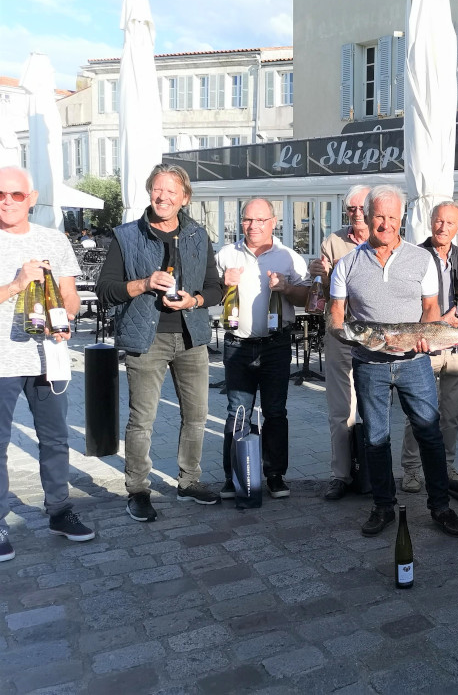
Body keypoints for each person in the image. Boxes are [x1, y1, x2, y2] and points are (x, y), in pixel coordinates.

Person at [329, 185, 458, 538]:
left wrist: (426, 335)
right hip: (368, 364)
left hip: (414, 362)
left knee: (429, 434)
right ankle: (383, 507)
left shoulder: (421, 259)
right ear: (366, 216)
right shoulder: (347, 264)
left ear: (401, 218)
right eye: (379, 216)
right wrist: (352, 337)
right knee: (375, 438)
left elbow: (431, 307)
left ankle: (440, 507)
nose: (385, 223)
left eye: (392, 217)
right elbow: (335, 316)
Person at [96, 163, 224, 522]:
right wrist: (144, 284)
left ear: (184, 198)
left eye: (171, 191)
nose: (163, 196)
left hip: (191, 337)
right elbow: (105, 291)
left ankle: (189, 481)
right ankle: (138, 490)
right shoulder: (126, 236)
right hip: (146, 338)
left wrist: (194, 300)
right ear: (149, 191)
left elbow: (215, 288)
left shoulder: (198, 235)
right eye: (157, 188)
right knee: (142, 420)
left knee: (196, 416)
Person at [0, 166, 95, 561]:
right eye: (0, 195)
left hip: (46, 358)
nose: (7, 201)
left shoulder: (53, 240)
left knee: (55, 438)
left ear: (32, 199)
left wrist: (65, 315)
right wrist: (17, 284)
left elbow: (71, 297)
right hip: (2, 362)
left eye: (16, 195)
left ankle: (59, 510)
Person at [216, 198, 311, 500]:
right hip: (237, 344)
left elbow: (305, 299)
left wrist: (287, 287)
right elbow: (210, 295)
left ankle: (274, 475)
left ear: (273, 222)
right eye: (247, 219)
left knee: (275, 412)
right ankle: (234, 476)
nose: (253, 226)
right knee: (237, 412)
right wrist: (223, 283)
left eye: (260, 220)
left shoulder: (289, 257)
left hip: (275, 345)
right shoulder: (227, 254)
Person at [400, 201, 458, 492]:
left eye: (450, 223)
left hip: (457, 344)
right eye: (439, 221)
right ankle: (411, 469)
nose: (443, 227)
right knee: (418, 411)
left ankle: (446, 465)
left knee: (451, 412)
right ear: (431, 222)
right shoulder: (415, 256)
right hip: (426, 343)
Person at [309, 185, 370, 501]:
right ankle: (341, 475)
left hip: (376, 336)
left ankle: (374, 473)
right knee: (340, 409)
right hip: (342, 333)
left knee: (374, 407)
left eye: (362, 207)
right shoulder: (332, 242)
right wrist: (318, 275)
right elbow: (319, 296)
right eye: (351, 208)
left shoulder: (387, 238)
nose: (357, 213)